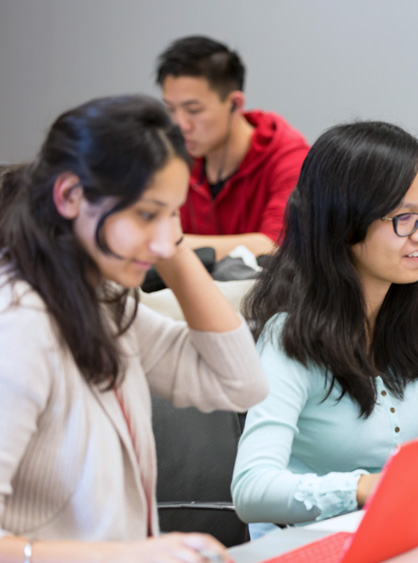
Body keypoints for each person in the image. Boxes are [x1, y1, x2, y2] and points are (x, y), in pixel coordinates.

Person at [0, 95, 269, 562]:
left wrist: (171, 243)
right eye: (146, 213)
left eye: (174, 214)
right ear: (68, 196)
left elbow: (240, 384)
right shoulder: (20, 328)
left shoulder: (102, 304)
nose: (165, 241)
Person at [231, 121, 418, 534]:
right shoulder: (289, 340)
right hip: (301, 549)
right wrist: (364, 488)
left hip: (384, 540)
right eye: (405, 218)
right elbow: (250, 490)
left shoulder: (411, 329)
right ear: (345, 225)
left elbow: (415, 461)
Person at [156, 35, 310, 258]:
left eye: (193, 110)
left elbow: (274, 247)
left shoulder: (290, 159)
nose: (180, 125)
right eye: (170, 109)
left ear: (234, 104)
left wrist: (163, 242)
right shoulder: (171, 155)